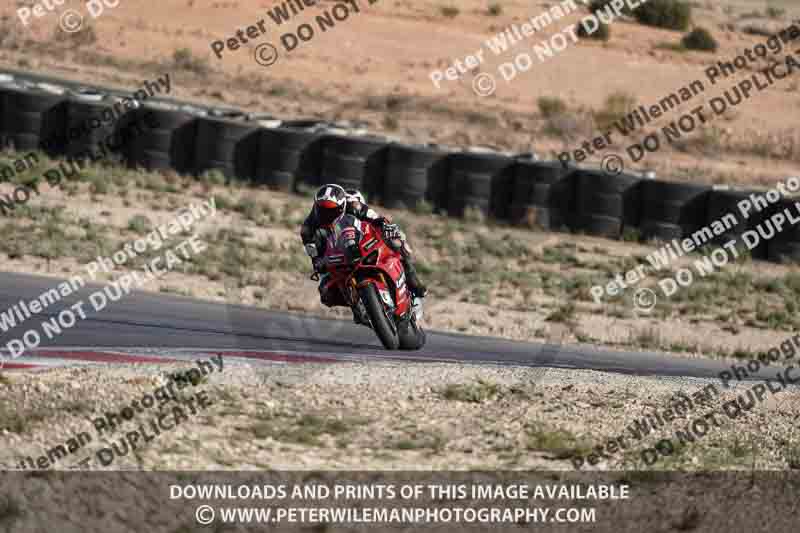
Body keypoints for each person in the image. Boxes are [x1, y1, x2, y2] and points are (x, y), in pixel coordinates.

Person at [300, 184, 427, 321]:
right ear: (315, 206)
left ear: (343, 206)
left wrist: (387, 228)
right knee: (326, 293)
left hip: (363, 242)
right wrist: (318, 262)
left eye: (332, 210)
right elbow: (313, 252)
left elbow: (377, 219)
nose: (326, 214)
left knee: (396, 241)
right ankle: (357, 304)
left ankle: (413, 280)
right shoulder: (308, 228)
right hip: (335, 255)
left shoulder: (354, 206)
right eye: (322, 209)